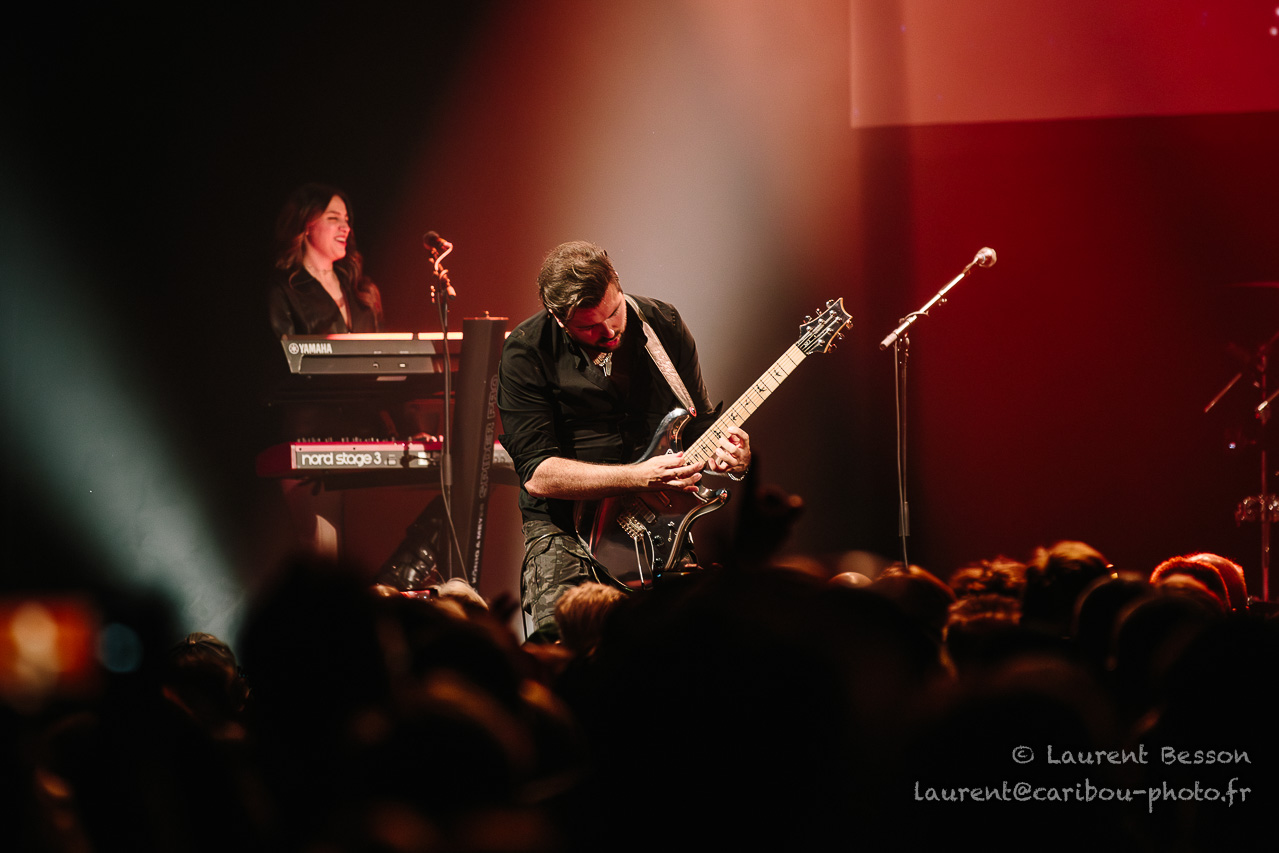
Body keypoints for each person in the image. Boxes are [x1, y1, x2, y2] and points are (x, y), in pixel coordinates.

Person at [497, 241, 751, 639]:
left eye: (614, 312)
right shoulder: (526, 351)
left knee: (690, 649)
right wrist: (637, 477)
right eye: (589, 327)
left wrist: (732, 454)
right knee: (563, 650)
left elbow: (698, 423)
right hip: (565, 532)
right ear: (558, 318)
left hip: (657, 526)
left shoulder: (663, 324)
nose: (609, 330)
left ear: (618, 284)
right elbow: (538, 474)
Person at [268, 182, 383, 336]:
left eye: (346, 219)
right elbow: (283, 348)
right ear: (307, 225)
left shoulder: (362, 291)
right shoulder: (285, 291)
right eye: (333, 218)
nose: (346, 228)